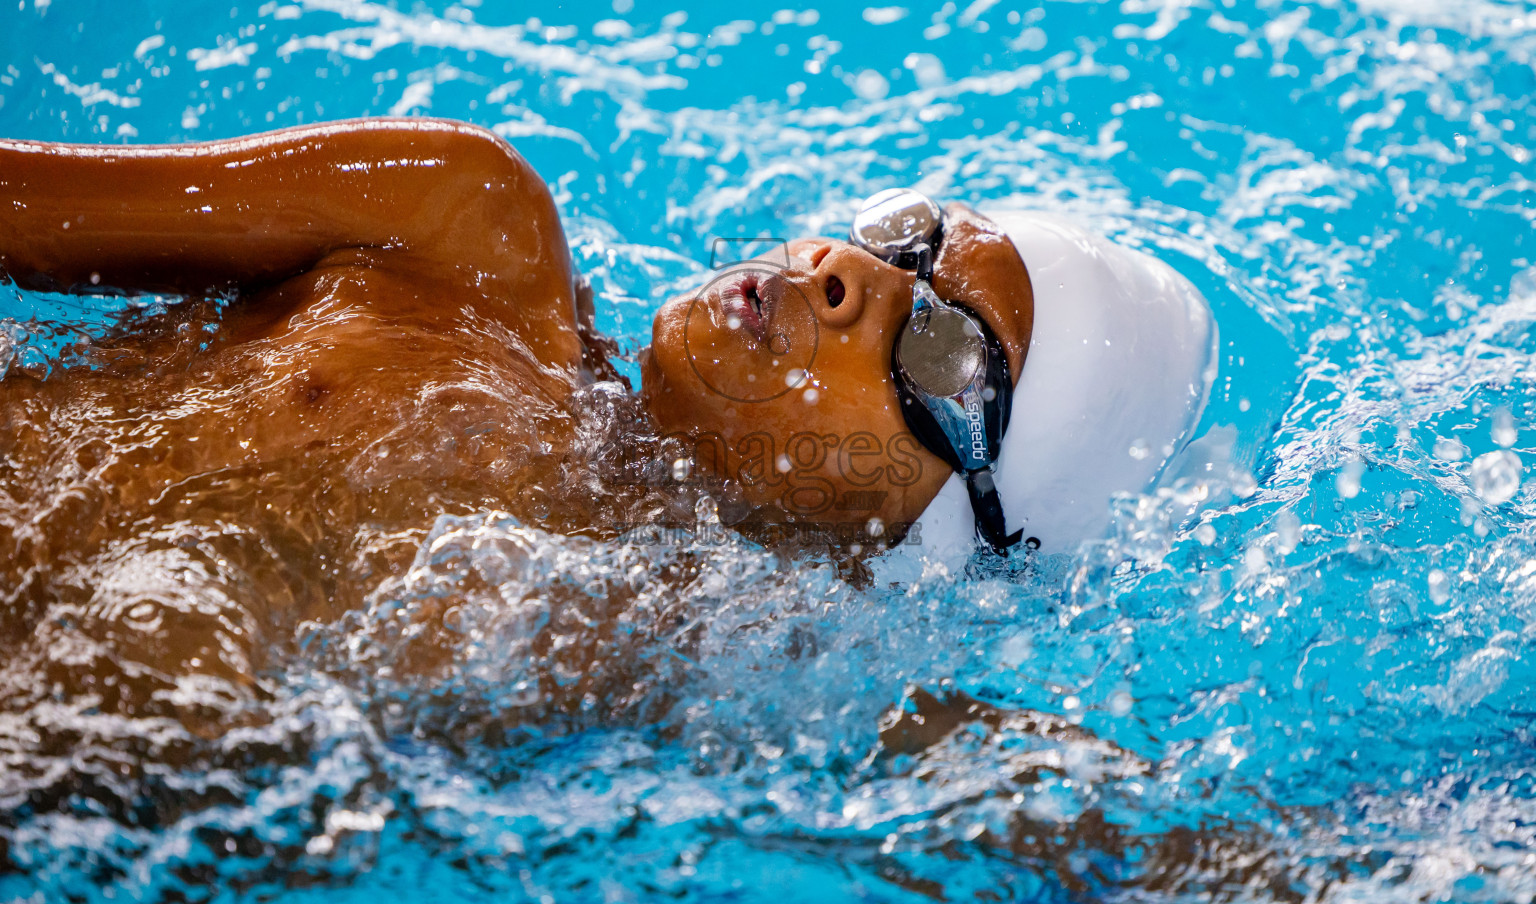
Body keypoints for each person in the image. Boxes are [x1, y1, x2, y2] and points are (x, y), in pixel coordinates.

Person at [0, 117, 1214, 711]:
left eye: (944, 347)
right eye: (915, 237)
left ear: (912, 534)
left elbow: (1059, 821)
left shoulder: (688, 661)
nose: (857, 277)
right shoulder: (455, 237)